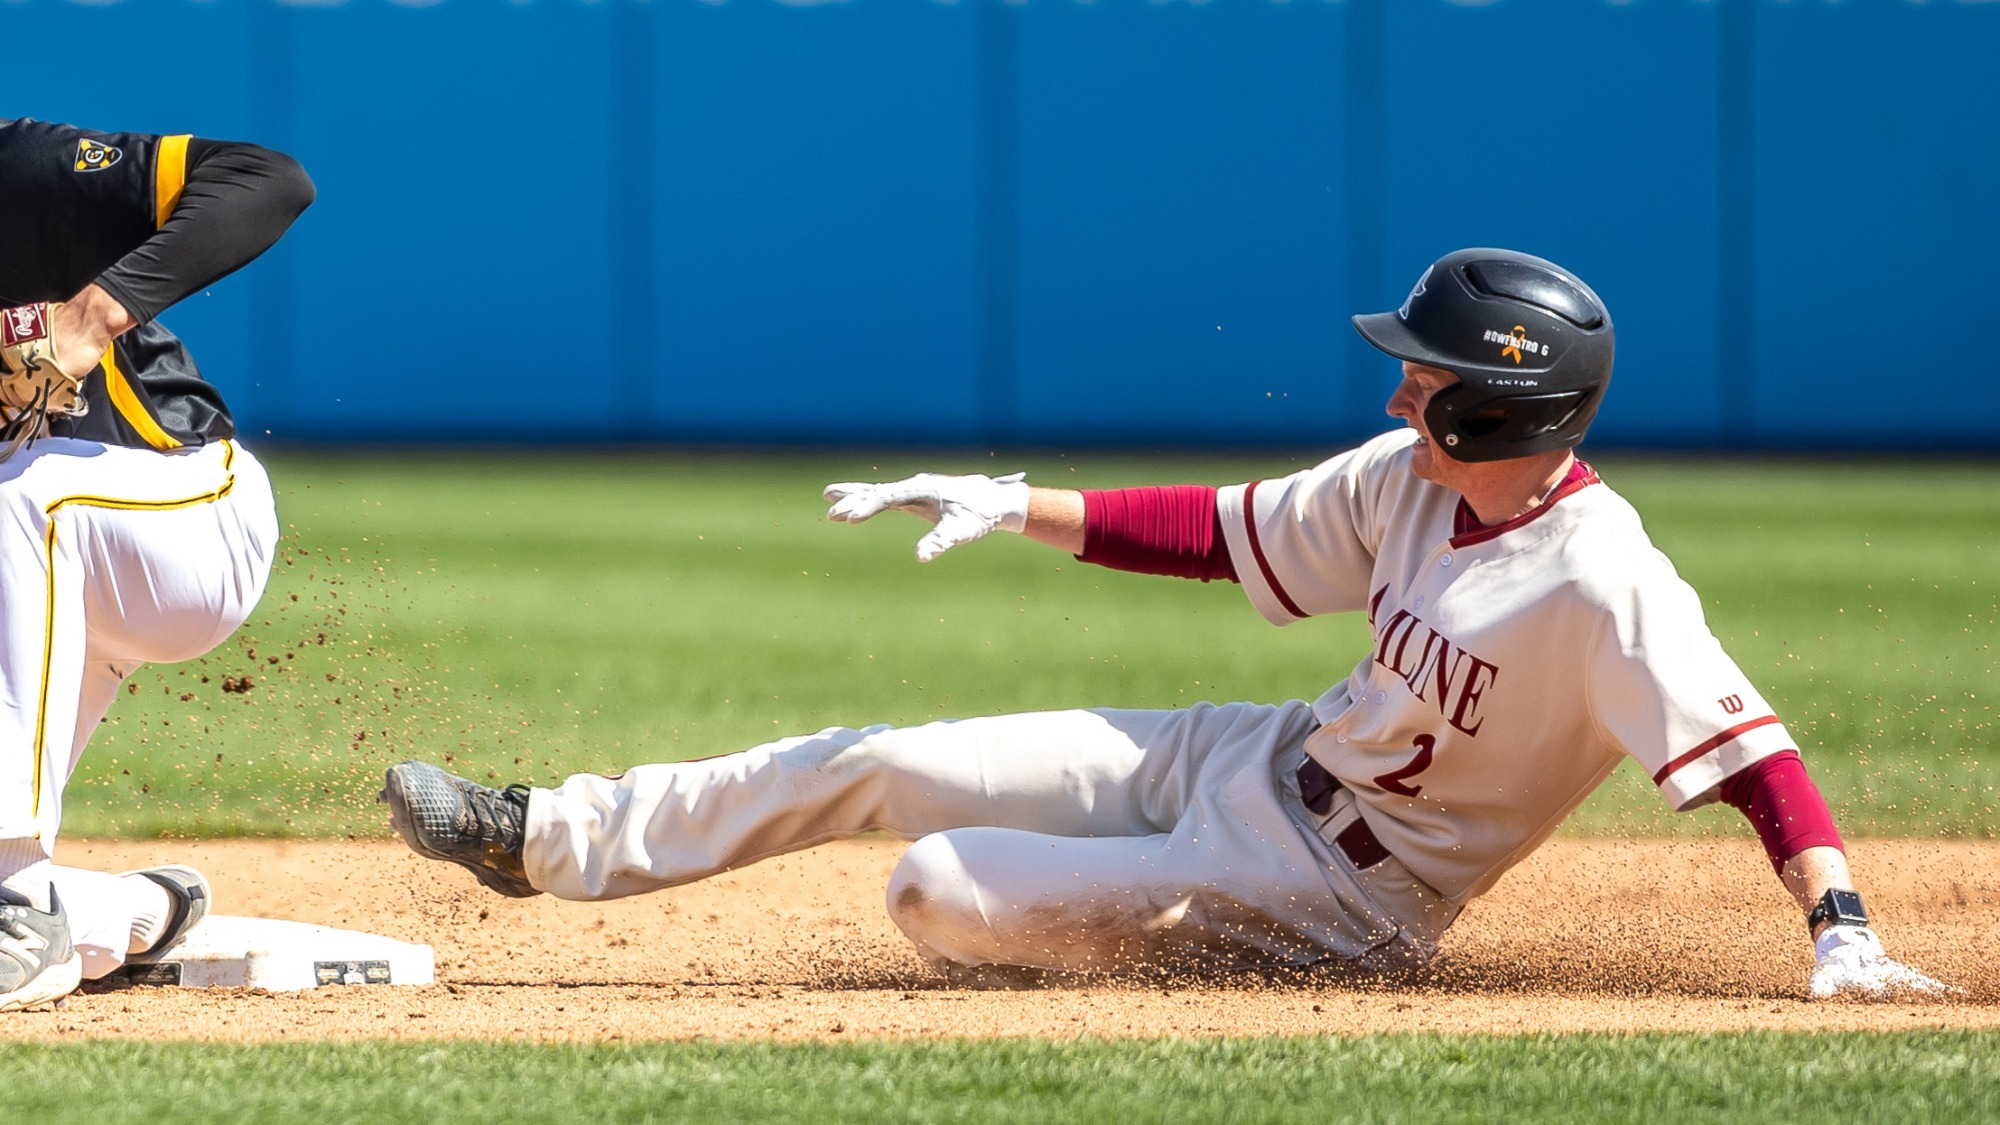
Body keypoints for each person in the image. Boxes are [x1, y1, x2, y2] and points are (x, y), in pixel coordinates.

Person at [381, 247, 1945, 998]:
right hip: (1245, 757)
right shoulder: (1411, 480)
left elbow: (1757, 754)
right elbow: (1221, 532)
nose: (1397, 385)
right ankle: (548, 836)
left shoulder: (1604, 578)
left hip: (1343, 893)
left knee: (934, 887)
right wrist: (1018, 501)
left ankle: (1196, 972)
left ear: (1502, 395)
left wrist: (1844, 930)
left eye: (1424, 368)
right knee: (888, 759)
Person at [0, 117, 314, 1010]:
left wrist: (92, 312)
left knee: (22, 491)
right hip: (40, 590)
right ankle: (140, 910)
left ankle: (16, 906)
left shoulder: (21, 170)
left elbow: (270, 176)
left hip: (191, 518)